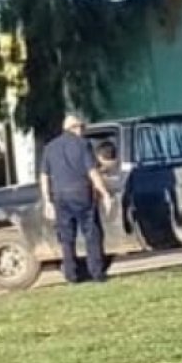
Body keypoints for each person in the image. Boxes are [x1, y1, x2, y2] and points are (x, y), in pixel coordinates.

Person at [40, 114, 113, 284]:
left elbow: (44, 176)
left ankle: (71, 275)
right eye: (81, 127)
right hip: (81, 194)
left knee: (66, 237)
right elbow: (92, 171)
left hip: (60, 196)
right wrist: (105, 193)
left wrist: (47, 200)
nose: (83, 130)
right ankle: (96, 272)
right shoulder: (82, 144)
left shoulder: (50, 147)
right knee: (91, 233)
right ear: (75, 127)